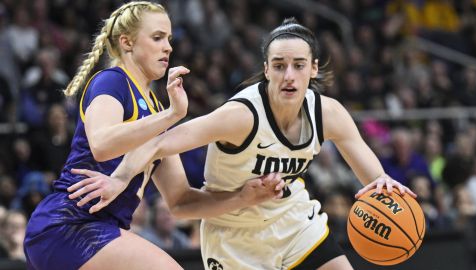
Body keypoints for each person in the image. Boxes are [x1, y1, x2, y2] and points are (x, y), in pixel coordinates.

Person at [69, 18, 417, 270]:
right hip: (233, 234)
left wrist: (381, 185)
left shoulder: (329, 113)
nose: (289, 75)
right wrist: (121, 177)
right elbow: (160, 142)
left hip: (292, 222)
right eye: (279, 66)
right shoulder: (241, 115)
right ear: (266, 70)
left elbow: (374, 181)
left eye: (298, 66)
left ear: (313, 69)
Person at [23, 2, 284, 270]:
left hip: (102, 231)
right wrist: (171, 115)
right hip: (69, 225)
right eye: (158, 37)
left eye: (169, 39)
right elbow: (102, 144)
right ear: (127, 42)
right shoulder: (112, 81)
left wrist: (243, 197)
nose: (168, 47)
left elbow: (181, 201)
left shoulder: (157, 111)